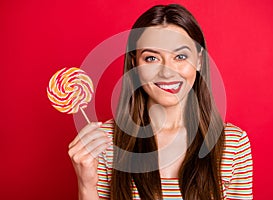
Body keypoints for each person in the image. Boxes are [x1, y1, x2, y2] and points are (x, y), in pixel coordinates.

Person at [68, 4, 253, 200]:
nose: (166, 72)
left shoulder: (233, 144)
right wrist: (86, 185)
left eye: (180, 56)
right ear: (134, 64)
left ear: (199, 61)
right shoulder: (105, 142)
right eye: (151, 58)